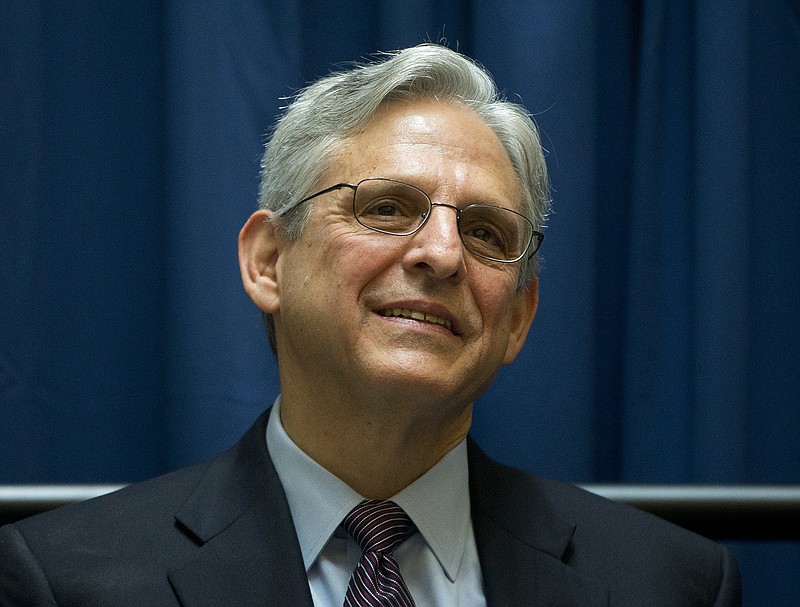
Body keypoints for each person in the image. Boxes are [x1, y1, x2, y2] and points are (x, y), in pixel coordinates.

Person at [0, 44, 740, 606]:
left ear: (518, 316)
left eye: (485, 231)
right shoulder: (65, 581)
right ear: (267, 261)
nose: (443, 252)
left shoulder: (671, 583)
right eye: (386, 207)